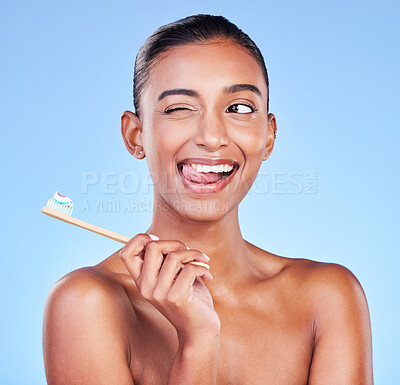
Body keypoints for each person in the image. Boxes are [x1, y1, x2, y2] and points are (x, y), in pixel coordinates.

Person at [42, 14, 373, 385]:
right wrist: (197, 343)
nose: (212, 137)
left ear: (268, 136)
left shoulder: (328, 298)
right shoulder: (86, 305)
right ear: (135, 136)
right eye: (179, 108)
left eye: (239, 108)